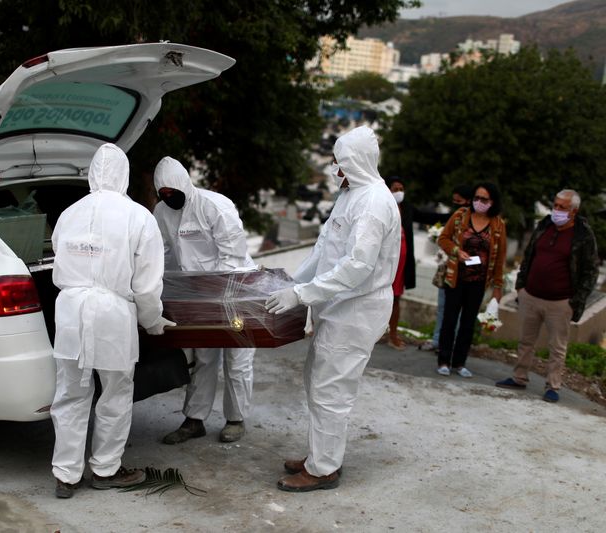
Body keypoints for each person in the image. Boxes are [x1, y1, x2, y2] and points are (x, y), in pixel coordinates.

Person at [264, 126, 401, 492]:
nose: (335, 171)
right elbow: (324, 250)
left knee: (331, 390)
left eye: (340, 163)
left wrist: (302, 295)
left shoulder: (373, 204)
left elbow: (358, 267)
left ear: (356, 163)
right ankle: (320, 455)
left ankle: (323, 469)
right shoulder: (350, 195)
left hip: (357, 309)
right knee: (317, 382)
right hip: (337, 306)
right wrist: (291, 284)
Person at [50, 143, 175, 499]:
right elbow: (148, 285)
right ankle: (105, 469)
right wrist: (153, 321)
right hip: (113, 313)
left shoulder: (69, 213)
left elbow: (59, 251)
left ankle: (66, 475)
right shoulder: (139, 217)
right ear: (125, 175)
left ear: (91, 173)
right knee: (115, 394)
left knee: (70, 394)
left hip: (71, 311)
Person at [153, 156, 257, 445]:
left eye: (172, 193)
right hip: (197, 294)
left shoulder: (215, 206)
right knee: (203, 358)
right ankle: (195, 420)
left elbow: (232, 256)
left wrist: (221, 297)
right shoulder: (161, 212)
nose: (168, 198)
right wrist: (165, 291)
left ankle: (235, 419)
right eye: (162, 194)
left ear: (185, 185)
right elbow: (162, 255)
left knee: (237, 358)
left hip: (234, 289)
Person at [496, 189, 599, 403]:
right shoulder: (545, 225)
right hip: (530, 295)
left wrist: (576, 301)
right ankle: (519, 377)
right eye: (556, 205)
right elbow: (529, 254)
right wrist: (521, 286)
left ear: (573, 211)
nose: (557, 210)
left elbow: (590, 271)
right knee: (525, 341)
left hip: (560, 302)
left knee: (557, 346)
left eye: (562, 207)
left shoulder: (583, 235)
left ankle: (552, 385)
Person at [436, 182, 507, 378]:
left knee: (468, 323)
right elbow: (443, 239)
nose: (479, 202)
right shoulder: (460, 216)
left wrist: (498, 287)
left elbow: (500, 257)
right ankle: (443, 360)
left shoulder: (498, 225)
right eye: (476, 198)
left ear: (492, 202)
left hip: (479, 281)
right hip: (456, 277)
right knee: (450, 320)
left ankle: (459, 363)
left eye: (484, 199)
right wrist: (457, 252)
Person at [385, 176, 454, 349]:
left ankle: (392, 334)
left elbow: (428, 217)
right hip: (383, 261)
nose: (399, 192)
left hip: (401, 262)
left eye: (401, 188)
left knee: (395, 298)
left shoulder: (407, 208)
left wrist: (454, 215)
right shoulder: (382, 206)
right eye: (395, 188)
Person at [419, 184, 474, 352]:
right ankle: (439, 340)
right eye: (454, 202)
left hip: (465, 273)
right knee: (443, 308)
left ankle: (451, 343)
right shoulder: (454, 217)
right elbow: (443, 237)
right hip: (448, 270)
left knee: (458, 312)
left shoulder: (476, 222)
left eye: (460, 202)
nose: (457, 205)